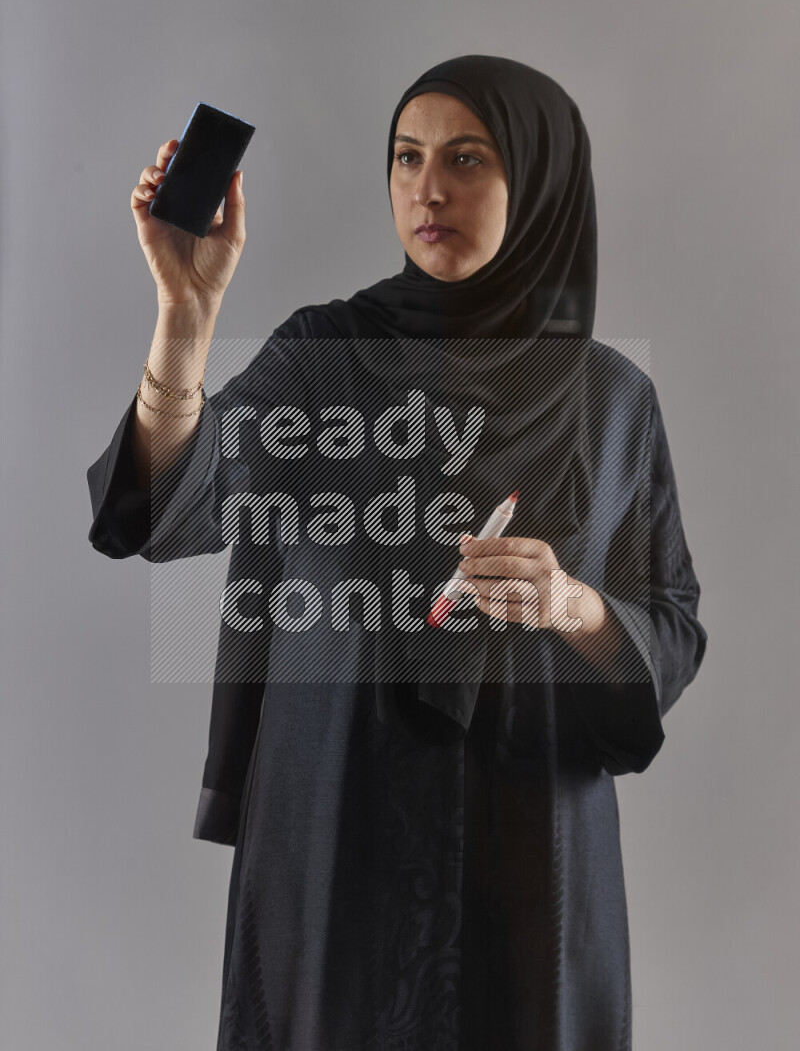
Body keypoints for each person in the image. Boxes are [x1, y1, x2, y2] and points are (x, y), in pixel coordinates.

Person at [87, 55, 707, 1051]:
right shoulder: (325, 359)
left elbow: (669, 625)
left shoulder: (611, 399)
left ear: (540, 182)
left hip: (531, 850)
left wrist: (570, 606)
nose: (427, 189)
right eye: (407, 157)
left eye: (466, 158)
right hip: (340, 830)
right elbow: (170, 505)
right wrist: (184, 320)